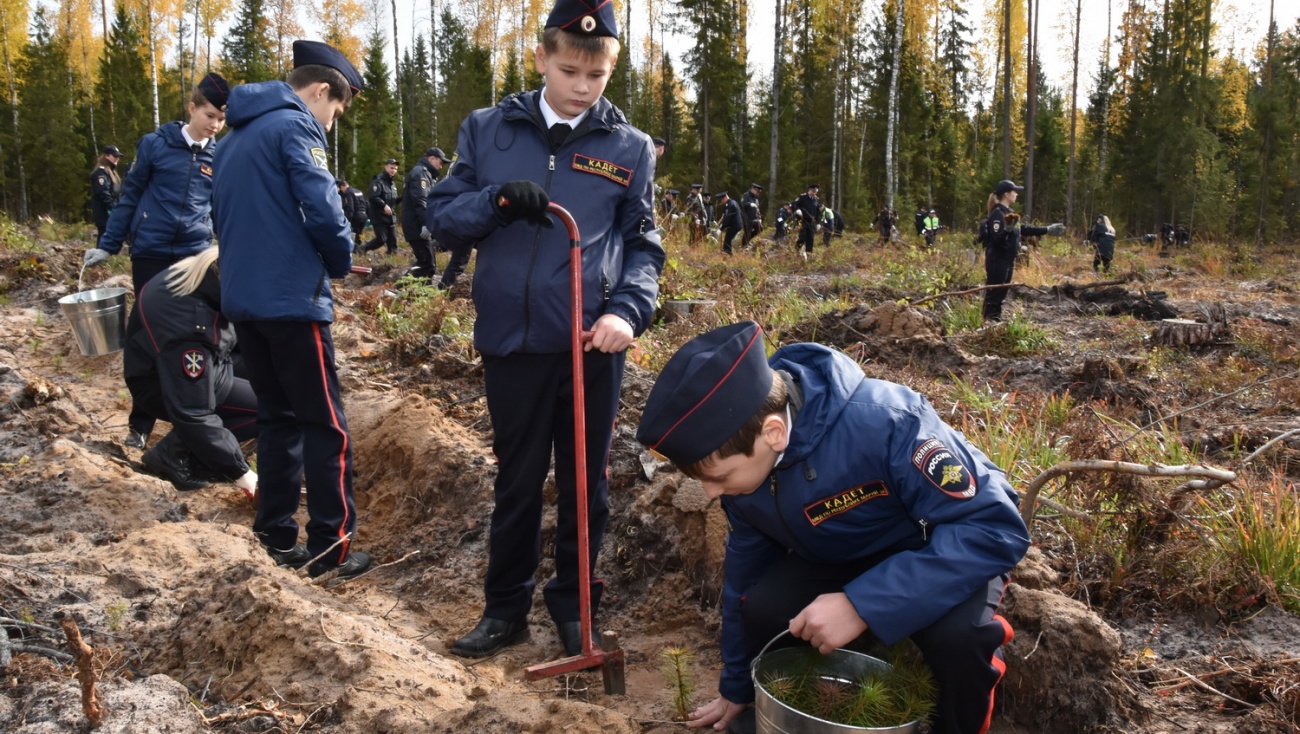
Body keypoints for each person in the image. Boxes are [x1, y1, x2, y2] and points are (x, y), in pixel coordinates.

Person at [635, 321, 1031, 734]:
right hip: (841, 551)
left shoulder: (888, 423)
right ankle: (777, 713)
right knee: (764, 608)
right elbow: (744, 574)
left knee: (958, 642)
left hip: (942, 547)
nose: (712, 493)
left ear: (773, 432)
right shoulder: (745, 471)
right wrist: (735, 686)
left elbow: (994, 529)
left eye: (720, 477)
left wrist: (862, 605)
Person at [426, 0, 663, 659]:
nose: (582, 87)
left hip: (593, 346)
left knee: (587, 485)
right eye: (569, 71)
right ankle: (504, 610)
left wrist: (626, 312)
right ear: (541, 58)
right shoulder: (488, 131)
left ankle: (577, 609)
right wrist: (495, 203)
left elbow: (644, 246)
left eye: (598, 76)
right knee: (518, 479)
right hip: (513, 343)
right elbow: (442, 221)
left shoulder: (630, 149)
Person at [211, 39, 372, 582]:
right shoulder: (296, 125)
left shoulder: (233, 137)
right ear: (321, 90)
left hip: (245, 302)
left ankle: (275, 536)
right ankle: (333, 547)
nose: (332, 122)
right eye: (337, 109)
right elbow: (324, 209)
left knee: (278, 420)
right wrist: (339, 258)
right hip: (291, 301)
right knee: (326, 426)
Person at [85, 72, 230, 450]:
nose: (215, 125)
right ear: (193, 108)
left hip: (194, 258)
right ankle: (140, 423)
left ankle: (200, 414)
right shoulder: (155, 145)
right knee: (146, 333)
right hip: (150, 252)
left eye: (221, 119)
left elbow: (223, 210)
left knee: (193, 333)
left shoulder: (220, 155)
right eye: (210, 115)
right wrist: (108, 243)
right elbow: (130, 197)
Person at [125, 247, 258, 498]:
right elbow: (193, 410)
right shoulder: (191, 328)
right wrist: (241, 472)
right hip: (160, 385)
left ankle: (189, 449)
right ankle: (173, 454)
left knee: (273, 380)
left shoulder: (202, 274)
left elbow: (235, 333)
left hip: (188, 364)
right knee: (271, 410)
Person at [980, 179, 1065, 322]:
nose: (1016, 194)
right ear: (1007, 194)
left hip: (1008, 258)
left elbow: (1024, 229)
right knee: (994, 293)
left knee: (1002, 292)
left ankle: (995, 320)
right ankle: (988, 321)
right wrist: (1007, 230)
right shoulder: (997, 214)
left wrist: (1047, 229)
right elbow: (996, 240)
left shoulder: (1009, 212)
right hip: (997, 259)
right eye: (1014, 192)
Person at [401, 147, 452, 280]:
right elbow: (420, 200)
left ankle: (416, 293)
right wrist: (425, 223)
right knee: (426, 264)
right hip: (416, 224)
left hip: (416, 223)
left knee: (427, 264)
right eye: (440, 163)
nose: (441, 167)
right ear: (432, 159)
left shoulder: (425, 174)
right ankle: (401, 288)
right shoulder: (420, 174)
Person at [363, 158, 400, 254]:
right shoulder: (378, 181)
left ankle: (392, 259)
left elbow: (394, 201)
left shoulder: (392, 184)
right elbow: (373, 197)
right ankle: (363, 249)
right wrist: (384, 206)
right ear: (386, 167)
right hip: (379, 216)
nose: (393, 170)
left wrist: (405, 197)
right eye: (391, 168)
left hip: (390, 217)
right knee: (381, 239)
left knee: (393, 242)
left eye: (395, 169)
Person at [88, 145, 123, 246]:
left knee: (110, 236)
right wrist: (113, 208)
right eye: (114, 156)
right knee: (103, 235)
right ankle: (99, 258)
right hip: (104, 212)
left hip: (112, 210)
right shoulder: (100, 173)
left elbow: (116, 193)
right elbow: (103, 193)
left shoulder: (112, 173)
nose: (117, 158)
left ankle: (105, 257)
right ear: (107, 156)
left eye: (118, 156)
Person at [336, 177, 368, 247]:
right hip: (364, 214)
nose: (341, 191)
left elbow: (350, 207)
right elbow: (366, 203)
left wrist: (348, 219)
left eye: (340, 188)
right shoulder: (358, 191)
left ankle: (353, 246)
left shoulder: (348, 192)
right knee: (361, 231)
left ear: (342, 186)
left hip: (356, 216)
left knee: (354, 231)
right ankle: (362, 246)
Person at [794, 183, 821, 259]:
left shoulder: (816, 199)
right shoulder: (803, 197)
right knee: (802, 237)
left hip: (812, 222)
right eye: (813, 191)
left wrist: (818, 223)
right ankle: (796, 251)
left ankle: (809, 255)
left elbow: (817, 212)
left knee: (810, 239)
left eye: (815, 191)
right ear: (809, 190)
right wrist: (798, 210)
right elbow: (795, 204)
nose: (814, 193)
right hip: (803, 220)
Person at [716, 190, 743, 255]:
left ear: (725, 197)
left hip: (735, 225)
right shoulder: (733, 202)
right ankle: (727, 253)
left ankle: (728, 254)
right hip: (736, 225)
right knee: (728, 239)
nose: (721, 202)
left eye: (721, 200)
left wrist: (721, 228)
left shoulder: (730, 205)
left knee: (727, 240)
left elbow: (728, 218)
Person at [740, 183, 762, 249]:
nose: (757, 193)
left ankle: (747, 240)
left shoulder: (755, 198)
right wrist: (749, 204)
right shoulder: (746, 195)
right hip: (746, 217)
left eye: (758, 192)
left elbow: (757, 207)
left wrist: (759, 215)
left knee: (760, 229)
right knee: (747, 232)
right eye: (757, 191)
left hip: (754, 218)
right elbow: (742, 204)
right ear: (753, 189)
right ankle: (743, 246)